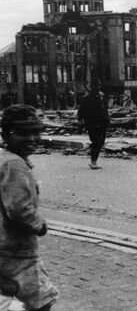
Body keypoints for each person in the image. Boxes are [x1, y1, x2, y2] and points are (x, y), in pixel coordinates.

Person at [0, 104, 59, 311]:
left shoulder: (6, 158)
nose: (33, 139)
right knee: (40, 302)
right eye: (24, 133)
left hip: (7, 248)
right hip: (18, 252)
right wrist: (40, 225)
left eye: (36, 132)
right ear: (6, 133)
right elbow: (18, 209)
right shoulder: (14, 164)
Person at [77, 79, 110, 169]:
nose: (97, 87)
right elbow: (81, 111)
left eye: (98, 85)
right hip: (92, 123)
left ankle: (92, 153)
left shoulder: (102, 96)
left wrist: (107, 121)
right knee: (96, 142)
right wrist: (81, 121)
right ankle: (93, 162)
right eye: (95, 86)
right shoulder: (87, 97)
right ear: (92, 87)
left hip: (102, 123)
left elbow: (105, 110)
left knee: (101, 142)